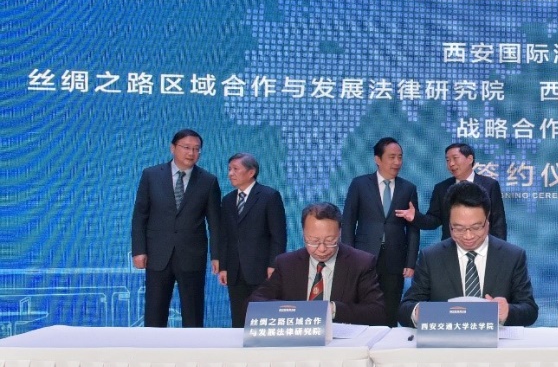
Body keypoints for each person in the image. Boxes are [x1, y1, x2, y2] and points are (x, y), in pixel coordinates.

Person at [398, 181, 538, 327]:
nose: (468, 236)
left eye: (476, 227)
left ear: (487, 220)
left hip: (496, 339)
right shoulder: (431, 257)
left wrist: (507, 311)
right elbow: (405, 308)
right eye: (458, 228)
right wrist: (418, 312)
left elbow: (530, 310)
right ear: (449, 223)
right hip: (446, 339)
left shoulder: (512, 256)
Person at [131, 128, 221, 327]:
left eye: (196, 149)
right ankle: (154, 347)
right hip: (157, 254)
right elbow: (140, 216)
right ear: (173, 148)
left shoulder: (208, 181)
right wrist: (139, 250)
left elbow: (215, 223)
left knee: (193, 314)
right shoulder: (151, 175)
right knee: (155, 313)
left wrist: (217, 255)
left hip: (192, 255)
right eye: (186, 147)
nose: (191, 153)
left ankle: (193, 348)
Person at [250, 203, 386, 325]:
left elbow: (377, 312)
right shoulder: (286, 264)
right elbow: (255, 302)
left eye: (330, 240)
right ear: (303, 234)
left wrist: (332, 309)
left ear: (339, 233)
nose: (322, 249)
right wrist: (291, 310)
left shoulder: (361, 263)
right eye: (313, 241)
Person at [342, 137, 420, 326]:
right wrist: (347, 256)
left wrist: (410, 262)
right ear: (377, 159)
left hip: (395, 258)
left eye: (400, 157)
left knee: (391, 307)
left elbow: (413, 228)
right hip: (363, 256)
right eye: (392, 157)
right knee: (362, 303)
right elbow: (348, 222)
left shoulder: (408, 188)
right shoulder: (359, 184)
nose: (397, 162)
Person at [217, 153, 287, 328]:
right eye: (229, 169)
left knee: (262, 317)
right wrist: (224, 267)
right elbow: (224, 236)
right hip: (235, 270)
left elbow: (278, 235)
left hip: (261, 269)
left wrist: (274, 264)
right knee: (238, 318)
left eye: (235, 169)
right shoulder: (228, 200)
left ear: (251, 172)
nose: (230, 174)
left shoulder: (269, 196)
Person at [396, 142, 507, 240]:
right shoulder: (441, 188)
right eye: (448, 160)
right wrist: (416, 217)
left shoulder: (490, 185)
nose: (451, 164)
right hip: (451, 249)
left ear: (470, 159)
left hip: (482, 248)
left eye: (455, 158)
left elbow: (498, 222)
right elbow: (434, 220)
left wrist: (498, 250)